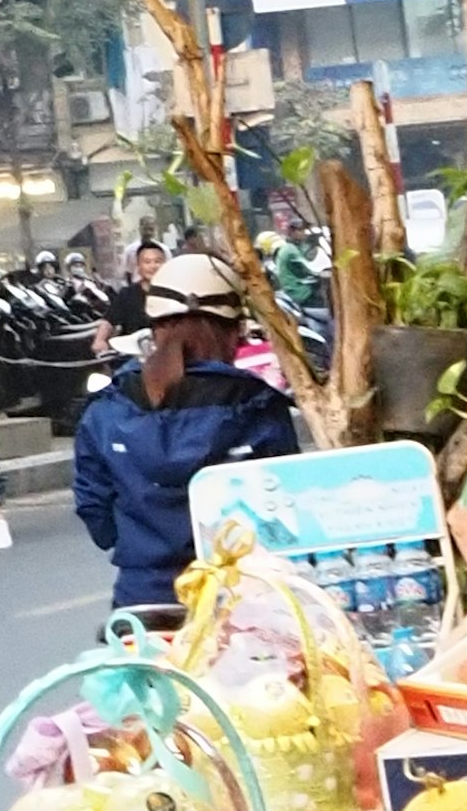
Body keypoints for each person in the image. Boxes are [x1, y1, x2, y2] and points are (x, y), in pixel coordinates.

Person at [73, 249, 298, 619]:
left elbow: (96, 516)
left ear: (155, 327)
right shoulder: (259, 406)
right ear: (234, 331)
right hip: (243, 602)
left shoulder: (106, 409)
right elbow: (286, 509)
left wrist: (144, 543)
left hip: (143, 603)